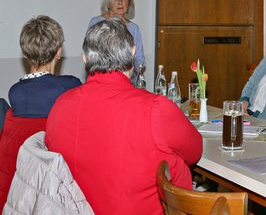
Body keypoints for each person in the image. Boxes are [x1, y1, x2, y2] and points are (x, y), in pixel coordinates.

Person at [46, 18, 202, 214]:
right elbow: (195, 151)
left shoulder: (60, 106)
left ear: (85, 58)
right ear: (132, 52)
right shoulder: (155, 108)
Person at [0, 15, 81, 210]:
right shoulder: (71, 88)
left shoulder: (15, 93)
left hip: (18, 192)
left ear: (25, 55)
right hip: (59, 191)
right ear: (59, 52)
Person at [88, 0, 145, 79]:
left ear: (129, 3)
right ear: (109, 3)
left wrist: (130, 68)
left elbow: (140, 60)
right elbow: (91, 54)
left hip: (128, 81)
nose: (120, 2)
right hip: (101, 79)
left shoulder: (134, 28)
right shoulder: (97, 22)